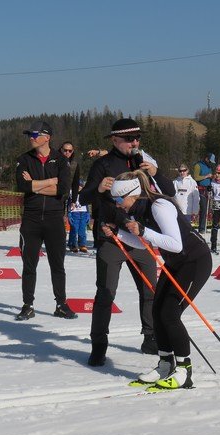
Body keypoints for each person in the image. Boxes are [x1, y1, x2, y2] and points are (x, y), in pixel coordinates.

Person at [105, 170, 212, 389]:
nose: (117, 204)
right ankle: (165, 364)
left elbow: (175, 244)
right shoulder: (138, 209)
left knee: (170, 313)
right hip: (175, 263)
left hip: (194, 261)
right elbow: (143, 242)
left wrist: (143, 231)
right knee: (157, 311)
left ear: (132, 194)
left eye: (119, 199)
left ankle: (184, 371)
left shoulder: (159, 206)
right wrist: (119, 234)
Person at [79, 118, 168, 365]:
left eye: (137, 138)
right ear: (115, 139)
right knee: (106, 293)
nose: (135, 143)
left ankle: (150, 337)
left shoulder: (143, 162)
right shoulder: (103, 164)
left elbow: (165, 192)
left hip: (140, 236)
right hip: (111, 237)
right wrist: (98, 189)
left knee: (150, 290)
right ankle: (99, 344)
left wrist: (156, 173)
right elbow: (83, 197)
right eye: (129, 139)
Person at [13, 120, 76, 321]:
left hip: (54, 218)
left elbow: (63, 189)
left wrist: (35, 184)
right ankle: (28, 305)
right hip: (31, 218)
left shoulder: (61, 160)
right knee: (29, 265)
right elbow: (22, 186)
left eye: (34, 135)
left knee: (57, 265)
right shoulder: (24, 159)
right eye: (29, 135)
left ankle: (61, 304)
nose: (30, 138)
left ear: (46, 137)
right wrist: (49, 182)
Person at [191, 153, 216, 232]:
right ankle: (201, 228)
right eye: (210, 161)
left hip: (209, 189)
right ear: (206, 159)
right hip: (201, 189)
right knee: (203, 208)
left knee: (209, 209)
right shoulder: (198, 166)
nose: (211, 163)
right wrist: (206, 176)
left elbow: (209, 177)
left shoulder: (209, 166)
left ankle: (205, 226)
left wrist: (212, 177)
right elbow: (196, 177)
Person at [68, 179, 90, 253]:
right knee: (74, 230)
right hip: (75, 213)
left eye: (81, 186)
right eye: (78, 186)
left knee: (82, 230)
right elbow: (68, 205)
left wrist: (88, 213)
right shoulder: (71, 194)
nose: (79, 187)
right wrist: (69, 214)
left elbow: (86, 205)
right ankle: (73, 245)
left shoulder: (84, 194)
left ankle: (82, 245)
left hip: (83, 213)